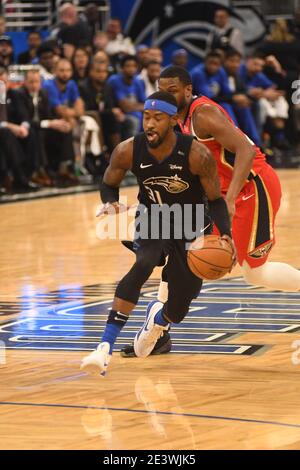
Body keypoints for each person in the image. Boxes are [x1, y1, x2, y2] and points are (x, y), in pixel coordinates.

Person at [121, 65, 300, 357]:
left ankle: (160, 324)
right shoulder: (171, 121)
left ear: (188, 90)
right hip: (220, 194)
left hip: (253, 188)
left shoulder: (203, 115)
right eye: (162, 89)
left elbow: (244, 150)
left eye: (173, 90)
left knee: (255, 274)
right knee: (183, 253)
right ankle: (159, 332)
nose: (166, 95)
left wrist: (228, 200)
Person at [80, 91, 234, 375]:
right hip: (154, 218)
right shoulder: (128, 149)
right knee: (144, 262)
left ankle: (159, 318)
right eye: (146, 117)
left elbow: (215, 200)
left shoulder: (197, 154)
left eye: (158, 118)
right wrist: (110, 201)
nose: (149, 124)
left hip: (191, 225)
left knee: (179, 307)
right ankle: (105, 346)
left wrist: (226, 234)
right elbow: (109, 181)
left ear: (174, 120)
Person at [108, 55, 146, 139]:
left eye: (133, 66)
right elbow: (125, 107)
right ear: (121, 68)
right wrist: (137, 106)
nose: (131, 69)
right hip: (119, 113)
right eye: (128, 66)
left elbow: (145, 104)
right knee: (134, 121)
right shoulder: (114, 80)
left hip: (136, 114)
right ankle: (131, 149)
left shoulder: (138, 81)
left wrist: (134, 106)